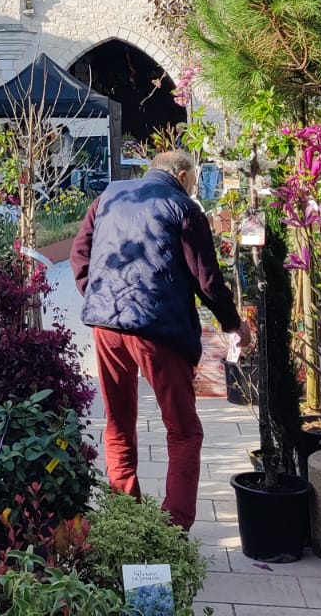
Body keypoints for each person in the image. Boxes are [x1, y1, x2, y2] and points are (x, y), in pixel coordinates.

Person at [70, 148, 242, 530]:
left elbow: (78, 255)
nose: (192, 188)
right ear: (182, 175)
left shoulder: (109, 196)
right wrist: (232, 324)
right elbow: (207, 280)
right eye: (193, 182)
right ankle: (172, 528)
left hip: (107, 328)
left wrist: (97, 297)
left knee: (118, 422)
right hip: (158, 330)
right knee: (183, 431)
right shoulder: (184, 208)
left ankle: (126, 518)